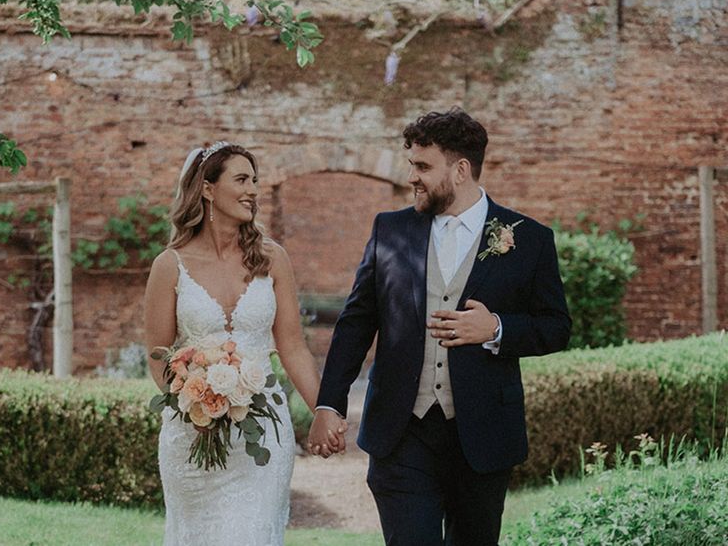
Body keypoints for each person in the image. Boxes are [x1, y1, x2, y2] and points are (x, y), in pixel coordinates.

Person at [308, 108, 571, 546]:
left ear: (461, 170)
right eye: (412, 164)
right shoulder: (389, 230)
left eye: (423, 166)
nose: (412, 176)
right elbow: (356, 322)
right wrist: (328, 404)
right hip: (401, 433)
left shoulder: (528, 239)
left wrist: (496, 328)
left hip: (484, 435)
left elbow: (556, 327)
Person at [144, 141, 346, 546]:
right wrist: (196, 403)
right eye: (241, 179)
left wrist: (323, 410)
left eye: (255, 180)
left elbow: (291, 346)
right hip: (192, 432)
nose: (253, 189)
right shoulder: (170, 265)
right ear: (207, 189)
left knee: (252, 534)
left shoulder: (273, 259)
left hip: (264, 432)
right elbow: (158, 355)